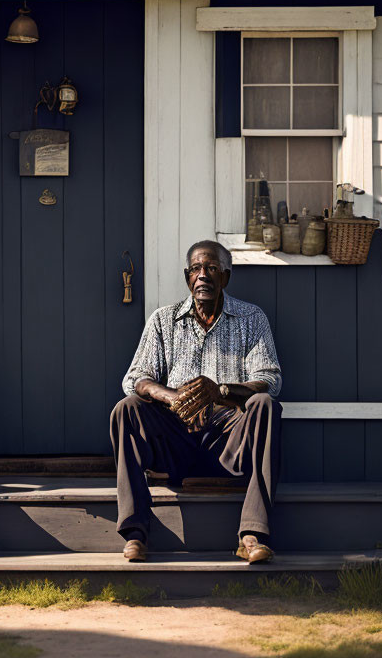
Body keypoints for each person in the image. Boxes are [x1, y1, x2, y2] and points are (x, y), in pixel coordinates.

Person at [110, 240, 282, 564]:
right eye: (196, 269)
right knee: (127, 409)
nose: (203, 275)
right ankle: (135, 534)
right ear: (187, 276)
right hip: (175, 441)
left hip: (228, 439)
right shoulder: (163, 320)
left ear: (226, 277)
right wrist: (173, 398)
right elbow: (136, 378)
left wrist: (220, 392)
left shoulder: (251, 318)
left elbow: (269, 379)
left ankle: (252, 535)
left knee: (265, 406)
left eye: (212, 268)